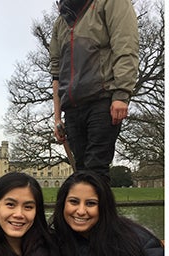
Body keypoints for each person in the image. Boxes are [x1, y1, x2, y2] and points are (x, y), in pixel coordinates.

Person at [50, 0, 139, 183]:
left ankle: (102, 211)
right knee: (81, 171)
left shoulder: (111, 3)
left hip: (102, 98)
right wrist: (57, 117)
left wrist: (121, 94)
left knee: (96, 168)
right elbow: (56, 72)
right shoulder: (61, 21)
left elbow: (125, 46)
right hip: (72, 106)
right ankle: (86, 211)